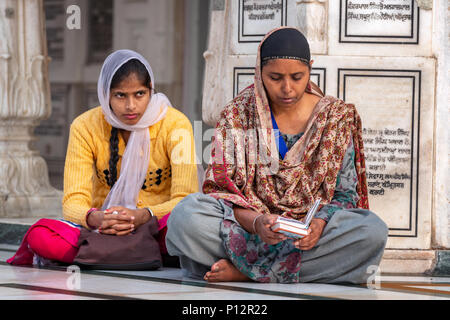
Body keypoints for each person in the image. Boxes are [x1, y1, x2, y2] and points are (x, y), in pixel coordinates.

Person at [166, 27, 388, 284]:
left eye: (297, 77)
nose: (287, 88)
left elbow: (346, 195)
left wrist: (319, 225)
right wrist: (258, 221)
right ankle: (285, 273)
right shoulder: (238, 115)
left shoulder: (334, 118)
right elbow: (220, 191)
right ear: (259, 71)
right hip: (249, 231)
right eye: (275, 77)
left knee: (371, 231)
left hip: (305, 239)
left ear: (310, 69)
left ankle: (245, 273)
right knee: (186, 216)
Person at [8, 49, 199, 266]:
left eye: (139, 94)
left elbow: (185, 198)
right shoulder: (85, 126)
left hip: (155, 227)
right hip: (102, 229)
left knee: (190, 225)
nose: (131, 106)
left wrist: (144, 215)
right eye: (120, 95)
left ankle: (101, 256)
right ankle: (141, 255)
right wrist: (96, 218)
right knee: (40, 235)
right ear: (105, 94)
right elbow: (73, 200)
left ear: (151, 90)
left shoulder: (176, 124)